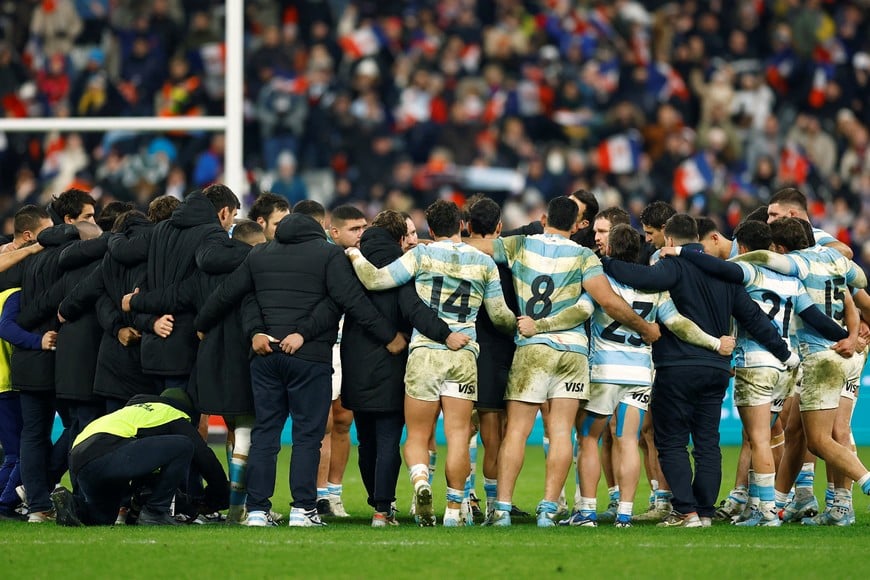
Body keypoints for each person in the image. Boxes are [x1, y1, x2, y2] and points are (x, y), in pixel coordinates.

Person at [194, 212, 405, 527]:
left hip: (266, 357)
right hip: (309, 358)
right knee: (307, 435)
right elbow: (349, 301)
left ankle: (256, 511)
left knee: (265, 433)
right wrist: (388, 336)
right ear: (316, 233)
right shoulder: (328, 255)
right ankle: (302, 509)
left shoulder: (260, 254)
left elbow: (229, 294)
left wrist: (209, 325)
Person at [466, 196, 659, 528]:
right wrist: (645, 328)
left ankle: (501, 509)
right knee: (560, 433)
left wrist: (433, 244)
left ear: (544, 219)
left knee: (516, 432)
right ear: (575, 226)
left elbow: (479, 247)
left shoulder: (520, 245)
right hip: (572, 353)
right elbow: (608, 302)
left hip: (532, 348)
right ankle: (547, 508)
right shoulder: (584, 256)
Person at [602, 214, 800, 527]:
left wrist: (607, 262)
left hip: (677, 367)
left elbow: (640, 279)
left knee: (671, 441)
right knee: (708, 442)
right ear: (698, 238)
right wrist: (784, 353)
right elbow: (755, 319)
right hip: (717, 370)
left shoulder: (671, 266)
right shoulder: (725, 275)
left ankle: (686, 511)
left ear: (669, 240)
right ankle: (705, 511)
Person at [661, 219, 852, 526]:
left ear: (745, 248)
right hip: (785, 367)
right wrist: (844, 335)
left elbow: (719, 269)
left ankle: (766, 512)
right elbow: (815, 317)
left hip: (756, 361)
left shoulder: (749, 271)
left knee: (758, 439)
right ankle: (764, 504)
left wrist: (680, 251)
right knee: (770, 436)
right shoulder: (793, 282)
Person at [346, 200, 517, 527]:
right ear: (462, 226)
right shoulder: (484, 262)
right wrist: (520, 325)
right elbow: (498, 316)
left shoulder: (421, 256)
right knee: (457, 435)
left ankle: (421, 482)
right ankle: (454, 510)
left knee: (418, 435)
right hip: (464, 353)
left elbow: (376, 280)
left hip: (425, 351)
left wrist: (353, 254)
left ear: (430, 228)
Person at [564, 224, 733, 528]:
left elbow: (581, 309)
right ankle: (625, 514)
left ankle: (586, 512)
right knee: (628, 440)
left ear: (611, 251)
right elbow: (679, 324)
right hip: (640, 373)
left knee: (588, 437)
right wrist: (715, 342)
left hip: (605, 371)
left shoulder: (602, 281)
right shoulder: (656, 289)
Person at [124, 220, 267, 524]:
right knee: (245, 431)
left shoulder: (201, 271)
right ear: (255, 243)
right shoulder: (255, 267)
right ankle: (239, 509)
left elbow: (172, 297)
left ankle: (219, 504)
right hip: (244, 357)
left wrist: (134, 301)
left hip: (208, 361)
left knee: (229, 428)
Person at [734, 217, 870, 525]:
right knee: (802, 431)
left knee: (821, 440)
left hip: (821, 357)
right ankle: (788, 504)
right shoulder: (835, 259)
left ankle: (862, 483)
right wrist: (851, 335)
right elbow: (855, 284)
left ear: (781, 247)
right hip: (847, 352)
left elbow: (766, 259)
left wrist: (740, 258)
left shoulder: (795, 263)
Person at [342, 210, 460, 526]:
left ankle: (377, 502)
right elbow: (414, 309)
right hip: (391, 362)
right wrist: (446, 334)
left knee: (365, 440)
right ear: (399, 237)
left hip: (355, 360)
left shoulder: (350, 262)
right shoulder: (402, 267)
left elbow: (348, 303)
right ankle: (383, 508)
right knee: (388, 438)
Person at [51, 388, 229, 526]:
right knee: (184, 445)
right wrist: (220, 495)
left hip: (80, 457)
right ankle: (155, 512)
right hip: (106, 450)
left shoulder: (135, 410)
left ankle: (73, 505)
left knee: (102, 517)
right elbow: (204, 457)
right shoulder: (174, 414)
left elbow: (142, 456)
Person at [124, 185, 237, 391]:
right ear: (223, 212)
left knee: (155, 419)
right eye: (233, 216)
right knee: (182, 419)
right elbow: (190, 291)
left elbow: (145, 282)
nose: (231, 224)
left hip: (152, 350)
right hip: (187, 348)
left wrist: (148, 317)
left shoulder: (160, 230)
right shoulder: (213, 235)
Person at [12, 219, 83, 523]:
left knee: (32, 433)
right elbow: (58, 302)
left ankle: (37, 504)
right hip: (56, 357)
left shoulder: (27, 265)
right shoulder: (67, 263)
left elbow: (16, 313)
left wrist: (25, 323)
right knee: (79, 425)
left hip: (26, 360)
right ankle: (48, 484)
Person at [464, 197, 518, 520]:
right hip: (500, 349)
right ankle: (495, 505)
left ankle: (464, 499)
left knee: (460, 428)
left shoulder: (460, 255)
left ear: (467, 226)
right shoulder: (511, 259)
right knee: (493, 432)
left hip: (463, 344)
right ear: (499, 227)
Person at [317, 204, 370, 517]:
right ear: (333, 231)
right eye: (354, 229)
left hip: (349, 348)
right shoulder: (322, 257)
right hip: (324, 346)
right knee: (320, 424)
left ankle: (334, 494)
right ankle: (318, 493)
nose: (361, 234)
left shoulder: (364, 258)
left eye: (363, 227)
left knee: (342, 421)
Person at [0, 286, 57, 520]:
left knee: (23, 450)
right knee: (17, 455)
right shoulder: (14, 294)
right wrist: (38, 341)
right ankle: (5, 503)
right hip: (6, 385)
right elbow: (6, 328)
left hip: (6, 385)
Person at [765, 187, 853, 258]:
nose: (768, 221)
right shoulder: (772, 237)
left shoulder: (815, 235)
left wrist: (807, 260)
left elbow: (846, 251)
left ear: (792, 214)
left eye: (774, 215)